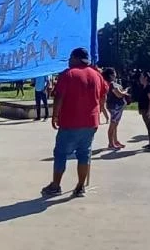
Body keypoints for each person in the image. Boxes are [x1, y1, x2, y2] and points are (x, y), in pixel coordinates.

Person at [42, 47, 108, 198]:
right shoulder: (97, 75)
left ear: (76, 58)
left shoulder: (68, 74)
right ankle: (79, 187)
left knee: (60, 153)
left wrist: (55, 116)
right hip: (91, 122)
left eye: (70, 58)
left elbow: (59, 97)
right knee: (84, 154)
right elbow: (104, 93)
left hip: (70, 122)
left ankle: (56, 185)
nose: (69, 61)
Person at [102, 67, 129, 150]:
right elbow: (119, 94)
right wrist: (126, 91)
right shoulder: (112, 84)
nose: (115, 74)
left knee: (115, 125)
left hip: (116, 106)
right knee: (113, 124)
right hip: (115, 107)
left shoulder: (111, 83)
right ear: (111, 75)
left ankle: (115, 141)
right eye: (114, 73)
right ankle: (111, 143)